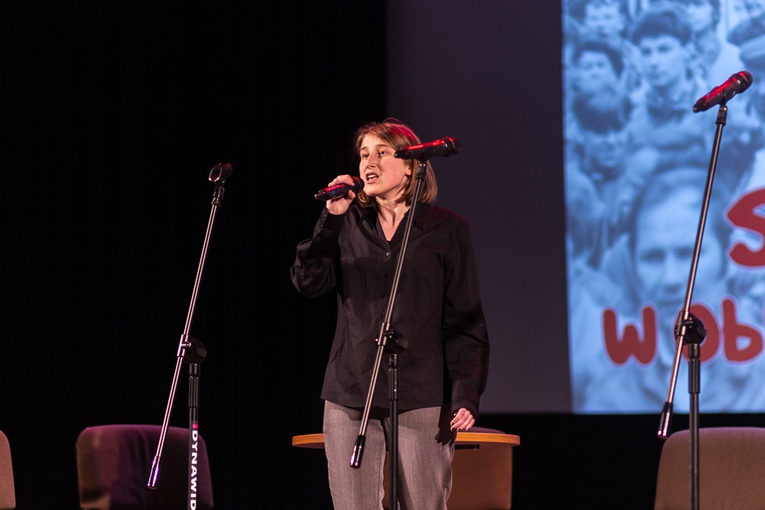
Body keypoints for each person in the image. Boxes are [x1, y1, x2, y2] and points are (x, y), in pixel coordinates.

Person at [290, 118, 490, 509]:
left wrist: (466, 394)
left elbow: (466, 321)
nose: (370, 161)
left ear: (413, 164)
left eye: (382, 152)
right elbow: (307, 282)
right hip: (351, 391)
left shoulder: (448, 230)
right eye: (364, 154)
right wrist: (330, 219)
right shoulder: (346, 223)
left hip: (422, 392)